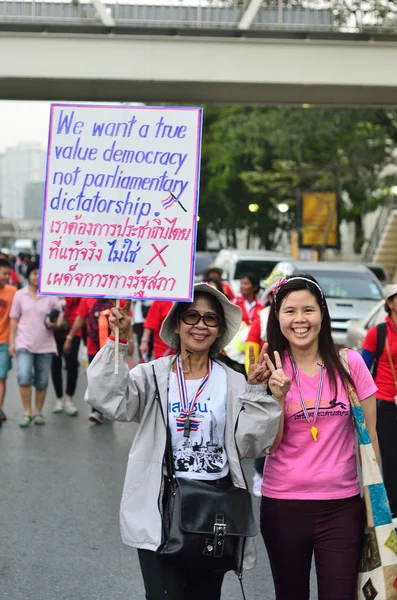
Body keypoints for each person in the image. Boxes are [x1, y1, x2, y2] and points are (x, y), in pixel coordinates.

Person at [85, 283, 282, 600]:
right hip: (160, 506)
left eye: (210, 319)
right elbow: (109, 399)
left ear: (219, 330)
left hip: (214, 510)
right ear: (176, 324)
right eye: (191, 316)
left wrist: (258, 393)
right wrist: (117, 342)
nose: (200, 325)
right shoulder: (153, 375)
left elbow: (251, 445)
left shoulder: (232, 381)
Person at [260, 274, 378, 600]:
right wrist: (277, 397)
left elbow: (370, 440)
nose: (300, 320)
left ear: (322, 314)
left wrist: (376, 506)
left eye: (308, 310)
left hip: (341, 508)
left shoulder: (350, 363)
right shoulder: (269, 368)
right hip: (283, 506)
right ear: (278, 316)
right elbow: (268, 445)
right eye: (290, 311)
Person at [9, 262, 63, 427]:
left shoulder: (51, 295)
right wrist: (12, 342)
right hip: (24, 342)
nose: (37, 277)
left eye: (40, 273)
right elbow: (14, 318)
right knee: (24, 375)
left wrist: (56, 323)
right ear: (29, 275)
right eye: (34, 273)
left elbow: (60, 314)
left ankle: (38, 411)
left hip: (45, 344)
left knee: (41, 380)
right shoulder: (20, 295)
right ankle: (27, 411)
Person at [65, 297, 133, 424]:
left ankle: (109, 407)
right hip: (94, 347)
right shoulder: (88, 300)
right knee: (96, 378)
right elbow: (80, 319)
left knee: (113, 376)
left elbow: (128, 320)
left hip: (115, 347)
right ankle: (96, 410)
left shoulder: (121, 299)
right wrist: (70, 337)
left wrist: (131, 341)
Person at [362, 283, 397, 522]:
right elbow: (363, 370)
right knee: (391, 457)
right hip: (386, 402)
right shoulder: (379, 332)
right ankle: (393, 507)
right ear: (391, 303)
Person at [51, 297, 82, 416]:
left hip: (73, 330)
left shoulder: (76, 285)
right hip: (54, 332)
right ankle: (59, 399)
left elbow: (81, 309)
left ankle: (69, 399)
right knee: (55, 365)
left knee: (72, 365)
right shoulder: (51, 286)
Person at [0, 259, 16, 422]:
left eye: (8, 274)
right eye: (3, 274)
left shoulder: (12, 291)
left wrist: (13, 342)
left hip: (3, 341)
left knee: (1, 376)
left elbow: (15, 317)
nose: (6, 277)